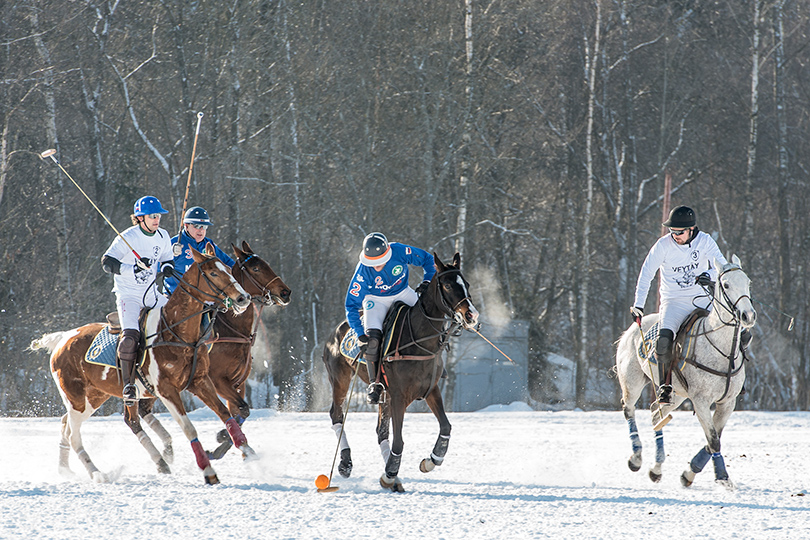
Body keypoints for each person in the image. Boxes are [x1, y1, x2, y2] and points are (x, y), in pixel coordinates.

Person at [631, 205, 745, 405]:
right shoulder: (663, 245)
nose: (674, 235)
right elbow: (646, 274)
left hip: (703, 299)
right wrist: (638, 305)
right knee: (664, 342)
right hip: (674, 302)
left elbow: (722, 268)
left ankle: (736, 378)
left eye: (679, 232)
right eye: (672, 231)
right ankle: (665, 387)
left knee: (739, 333)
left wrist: (707, 275)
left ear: (692, 229)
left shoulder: (705, 241)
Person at [345, 232, 436, 404]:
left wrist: (427, 281)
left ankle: (436, 363)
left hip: (402, 292)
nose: (377, 267)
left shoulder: (400, 251)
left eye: (380, 262)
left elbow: (428, 259)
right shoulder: (362, 273)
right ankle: (375, 384)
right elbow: (351, 306)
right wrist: (360, 334)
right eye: (373, 263)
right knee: (373, 341)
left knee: (428, 318)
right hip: (375, 300)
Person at [101, 196, 175, 404]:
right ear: (140, 218)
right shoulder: (128, 237)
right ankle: (128, 386)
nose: (156, 219)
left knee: (180, 321)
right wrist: (130, 268)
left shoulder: (163, 236)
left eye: (158, 215)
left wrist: (168, 267)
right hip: (129, 297)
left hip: (152, 294)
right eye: (152, 216)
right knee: (130, 338)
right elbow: (107, 262)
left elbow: (167, 258)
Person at [163, 206, 235, 295]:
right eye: (196, 226)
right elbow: (157, 267)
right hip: (176, 296)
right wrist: (171, 254)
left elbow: (227, 262)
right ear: (186, 226)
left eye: (204, 226)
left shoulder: (208, 244)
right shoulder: (174, 243)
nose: (201, 230)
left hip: (202, 299)